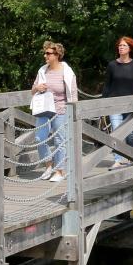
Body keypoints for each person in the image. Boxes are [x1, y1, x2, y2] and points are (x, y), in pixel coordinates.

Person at [30, 41, 78, 182]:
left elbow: (73, 94)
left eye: (49, 53)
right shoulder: (42, 70)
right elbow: (32, 90)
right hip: (45, 109)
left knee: (59, 140)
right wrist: (37, 88)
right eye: (45, 53)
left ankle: (60, 170)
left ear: (57, 55)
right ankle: (48, 165)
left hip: (61, 109)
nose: (45, 55)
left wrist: (73, 112)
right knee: (40, 138)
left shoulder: (67, 71)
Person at [102, 36, 133, 168]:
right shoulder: (112, 65)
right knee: (117, 131)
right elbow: (107, 86)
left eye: (124, 45)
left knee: (131, 134)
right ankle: (118, 159)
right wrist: (103, 104)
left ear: (130, 48)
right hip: (115, 104)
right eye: (120, 45)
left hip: (132, 105)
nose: (121, 47)